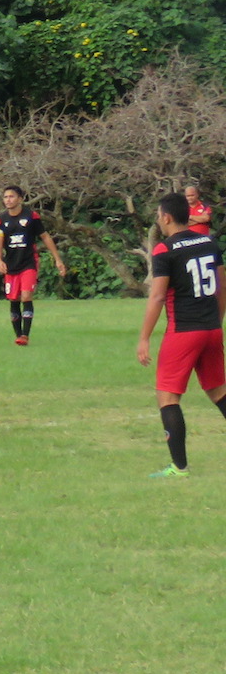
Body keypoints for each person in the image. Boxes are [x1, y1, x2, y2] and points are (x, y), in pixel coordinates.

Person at [136, 192, 226, 477]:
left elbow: (158, 296)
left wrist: (144, 338)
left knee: (168, 397)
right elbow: (222, 286)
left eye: (158, 216)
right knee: (219, 391)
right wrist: (216, 322)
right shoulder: (209, 243)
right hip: (212, 329)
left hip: (183, 331)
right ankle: (179, 466)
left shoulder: (165, 249)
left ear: (166, 217)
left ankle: (179, 467)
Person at [0, 186, 68, 346]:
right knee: (14, 299)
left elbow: (45, 237)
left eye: (11, 196)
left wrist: (57, 259)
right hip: (11, 265)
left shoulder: (31, 216)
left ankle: (25, 336)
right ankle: (18, 334)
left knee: (26, 296)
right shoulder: (2, 219)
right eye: (5, 197)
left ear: (20, 199)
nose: (8, 200)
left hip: (28, 263)